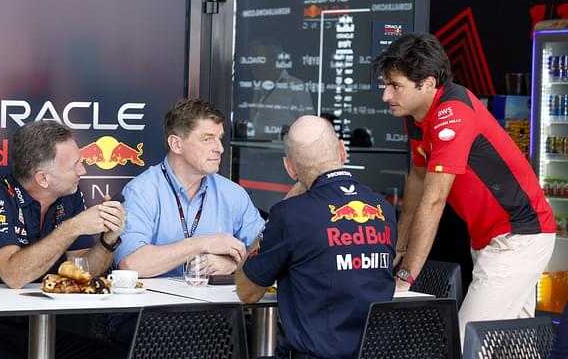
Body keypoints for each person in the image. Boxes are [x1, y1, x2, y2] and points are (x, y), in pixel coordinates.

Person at [373, 32, 556, 341]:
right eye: (385, 85)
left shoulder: (452, 112)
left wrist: (406, 276)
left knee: (464, 340)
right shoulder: (416, 114)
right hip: (489, 239)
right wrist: (400, 247)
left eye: (396, 87)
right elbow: (417, 180)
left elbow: (433, 201)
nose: (386, 97)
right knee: (512, 346)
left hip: (518, 237)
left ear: (428, 83)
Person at [0, 121, 127, 359]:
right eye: (75, 165)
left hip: (36, 326)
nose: (83, 171)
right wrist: (70, 228)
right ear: (43, 178)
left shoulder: (70, 197)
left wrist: (109, 240)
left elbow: (83, 272)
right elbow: (14, 275)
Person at [236, 115, 397, 359]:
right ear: (342, 150)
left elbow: (247, 292)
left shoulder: (290, 215)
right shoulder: (382, 208)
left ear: (289, 167)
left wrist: (277, 216)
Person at [110, 98, 264, 345]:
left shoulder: (232, 193)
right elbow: (132, 264)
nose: (220, 148)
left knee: (259, 340)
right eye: (207, 139)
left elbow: (267, 250)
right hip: (148, 316)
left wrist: (234, 263)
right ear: (176, 144)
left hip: (217, 315)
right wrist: (203, 243)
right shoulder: (142, 191)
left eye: (220, 138)